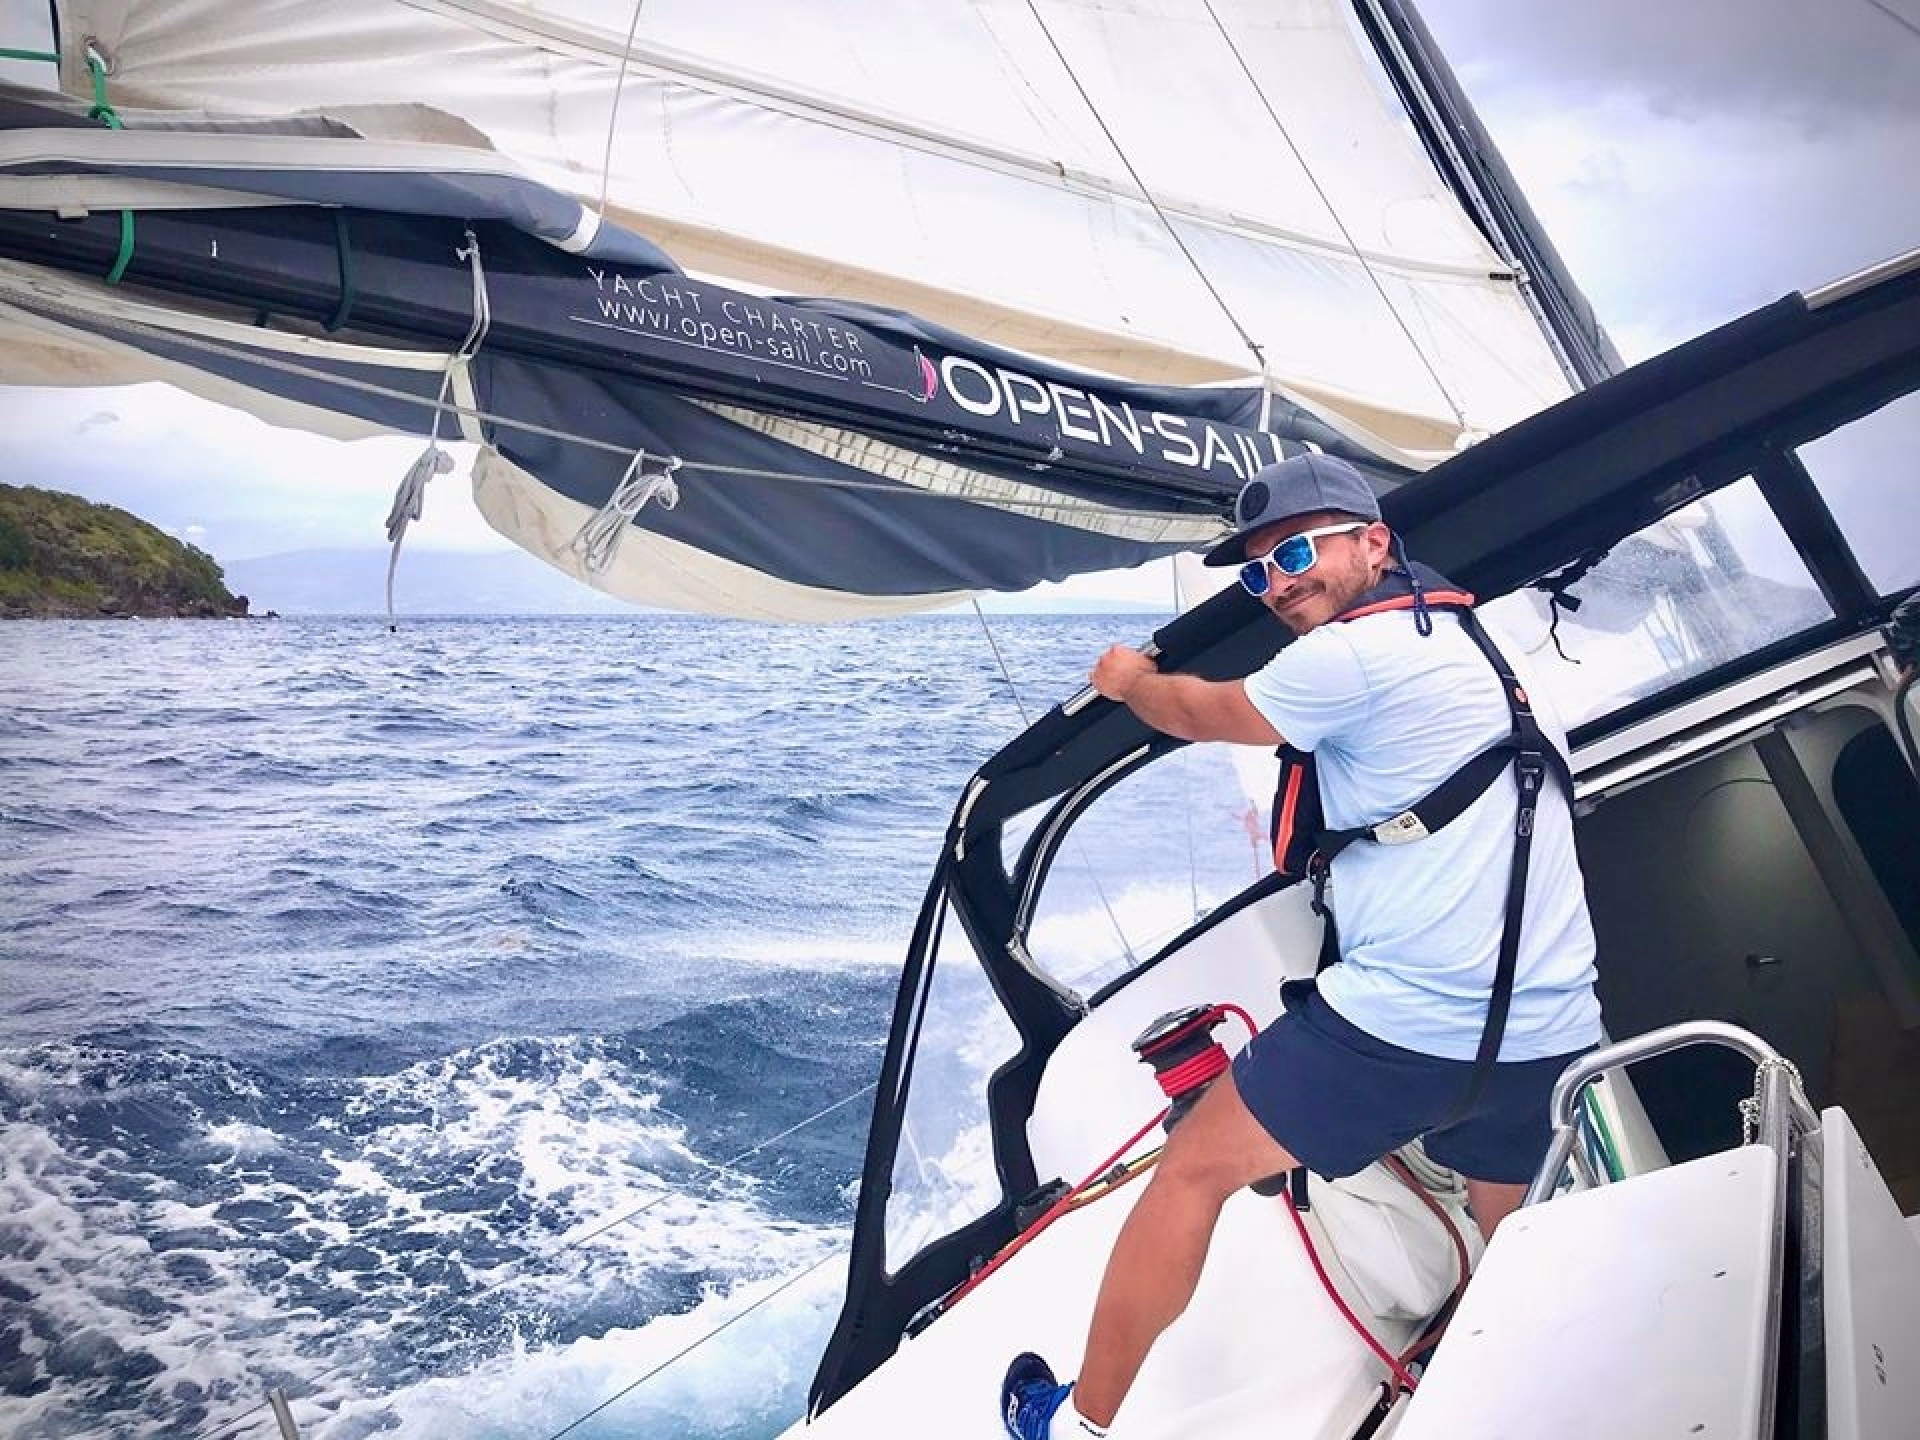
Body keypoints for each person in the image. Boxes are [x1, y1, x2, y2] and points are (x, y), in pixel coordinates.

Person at [1000, 453, 1605, 1440]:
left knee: (1194, 1169)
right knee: (1523, 1238)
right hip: (1548, 1033)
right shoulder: (1479, 648)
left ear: (1374, 543)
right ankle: (1563, 1403)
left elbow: (1198, 714)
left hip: (1406, 1029)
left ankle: (1075, 1425)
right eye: (1256, 573)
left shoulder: (1349, 657)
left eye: (1293, 551)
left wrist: (1130, 679)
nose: (1277, 582)